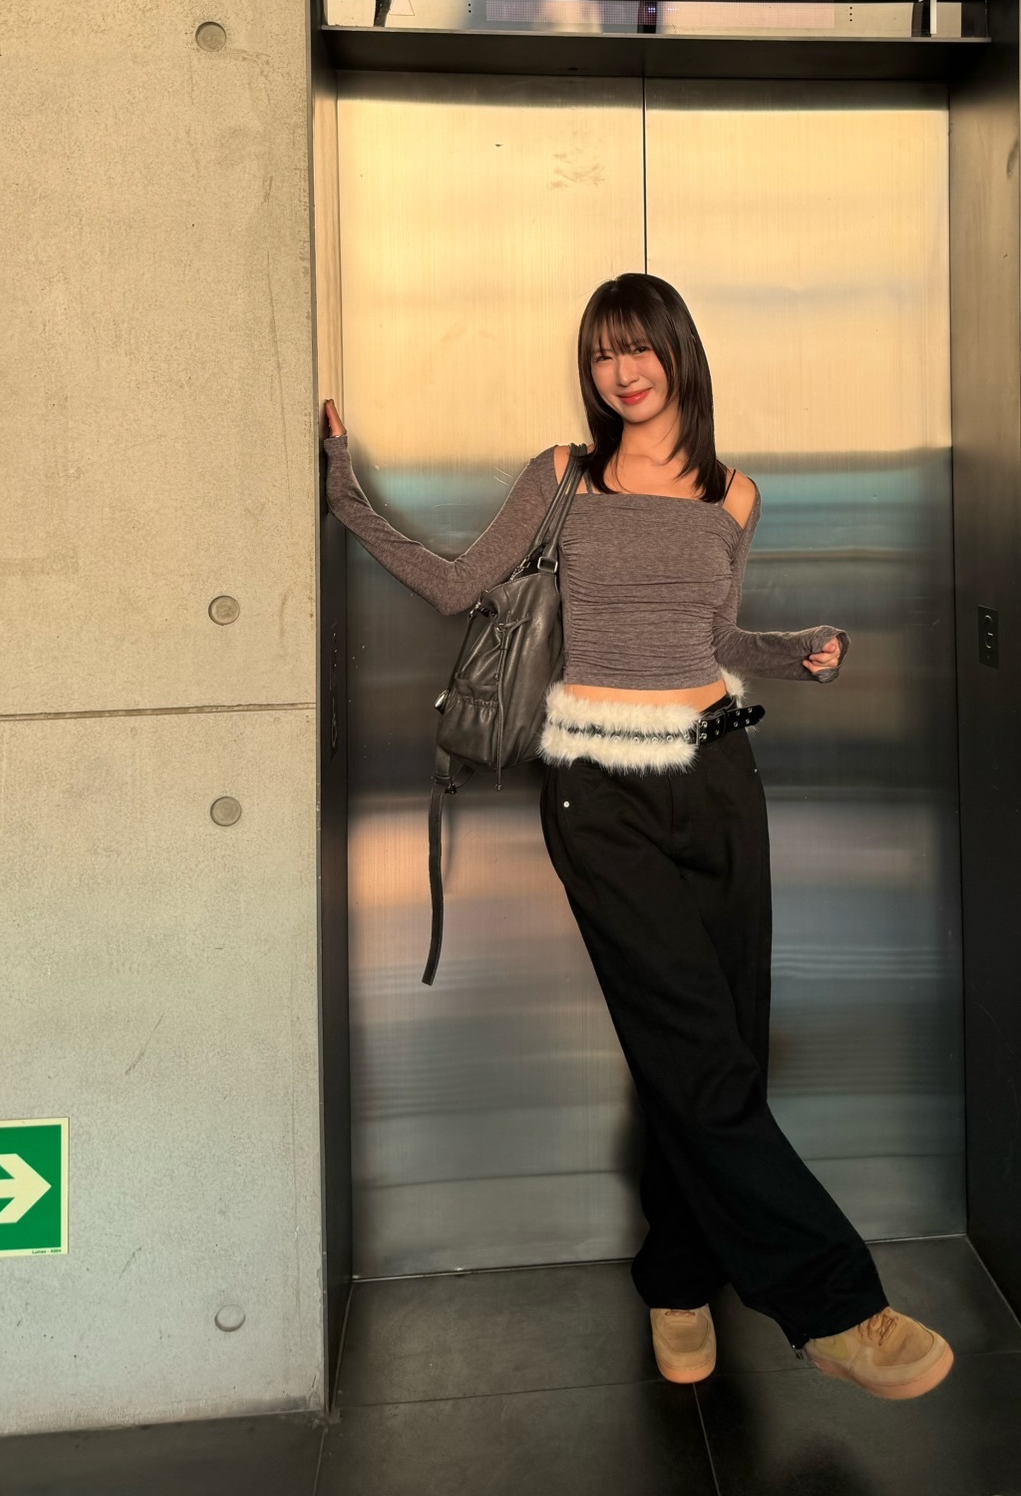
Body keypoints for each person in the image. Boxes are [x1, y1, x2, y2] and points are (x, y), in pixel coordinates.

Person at [321, 271, 953, 1401]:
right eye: (603, 352)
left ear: (678, 352)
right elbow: (460, 586)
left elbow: (712, 637)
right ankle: (837, 1308)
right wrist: (348, 497)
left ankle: (676, 1277)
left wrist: (796, 650)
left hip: (717, 777)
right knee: (694, 1049)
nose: (622, 370)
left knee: (720, 1047)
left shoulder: (734, 494)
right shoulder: (563, 477)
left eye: (639, 346)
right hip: (598, 793)